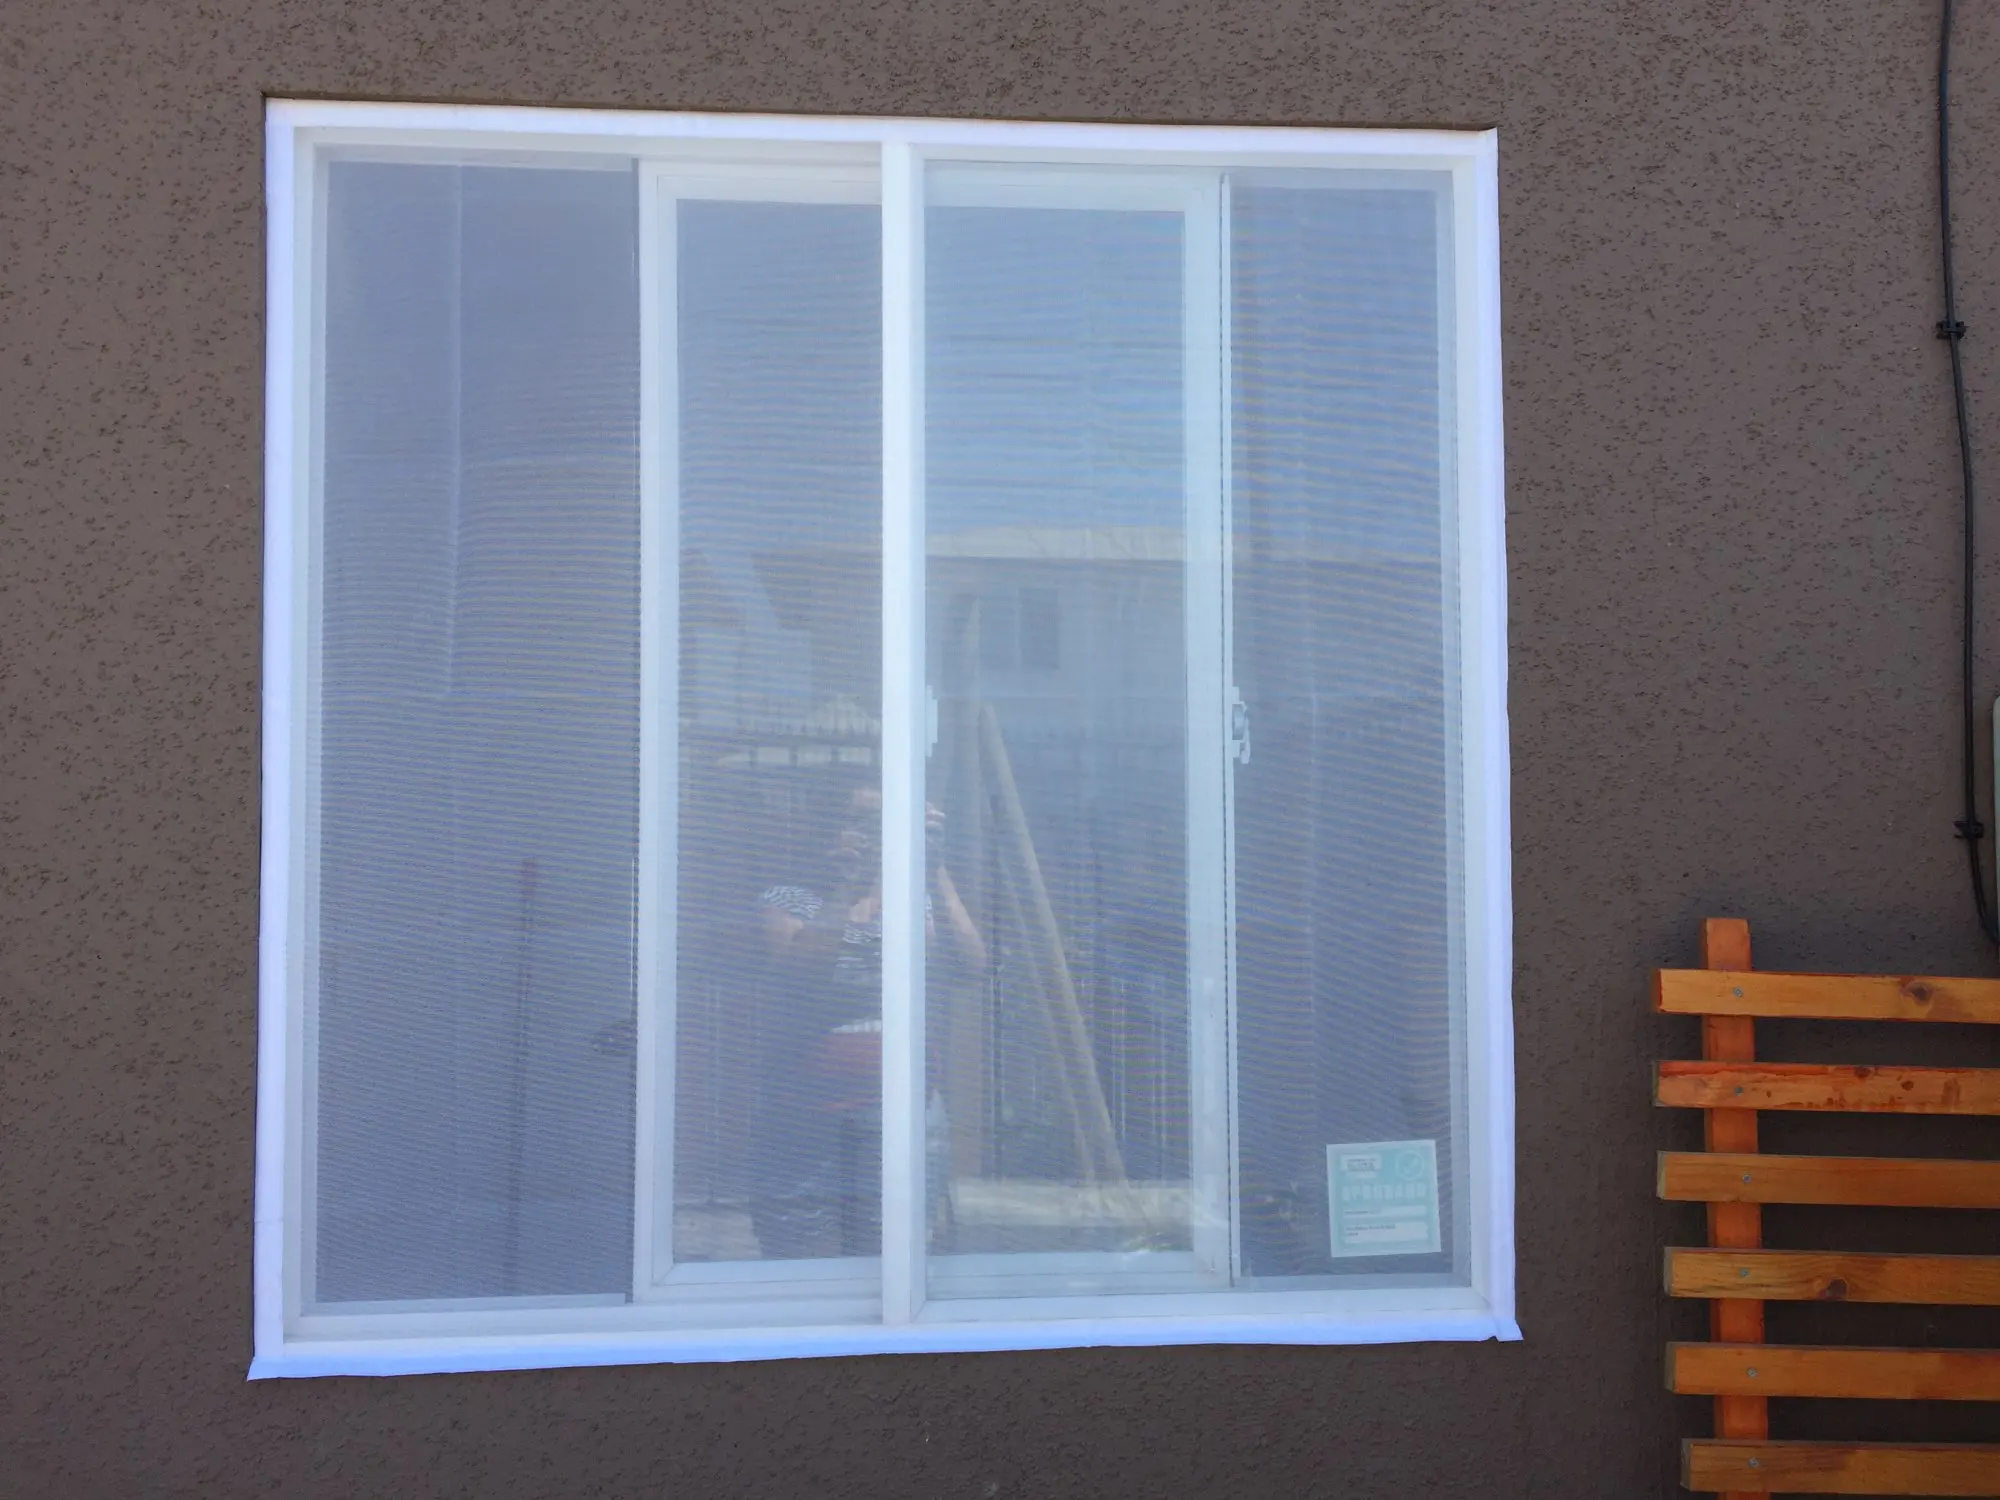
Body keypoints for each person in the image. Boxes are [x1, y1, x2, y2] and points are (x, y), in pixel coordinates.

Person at [750, 781, 983, 1257]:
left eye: (881, 822)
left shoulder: (917, 896)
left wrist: (934, 869)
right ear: (828, 829)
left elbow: (971, 966)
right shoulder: (789, 898)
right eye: (856, 821)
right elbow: (800, 973)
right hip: (806, 1106)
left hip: (905, 1104)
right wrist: (847, 890)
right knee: (801, 1246)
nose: (869, 834)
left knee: (893, 1249)